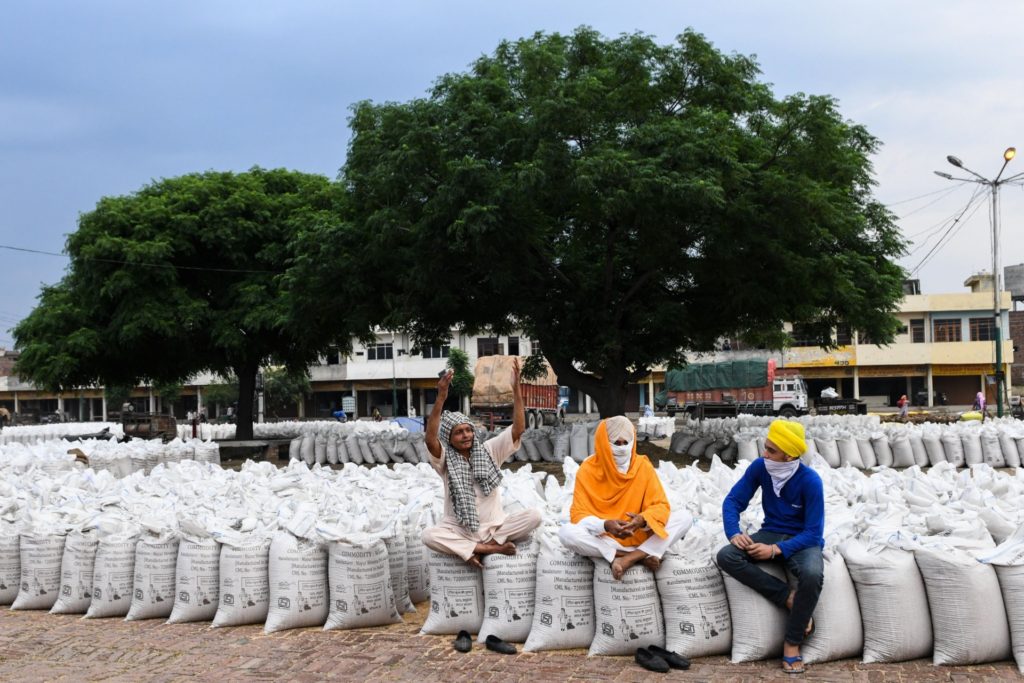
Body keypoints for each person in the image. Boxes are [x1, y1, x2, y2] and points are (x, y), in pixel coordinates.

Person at [716, 419, 824, 675]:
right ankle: (787, 597)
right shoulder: (760, 468)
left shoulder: (810, 481)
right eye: (765, 448)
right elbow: (732, 501)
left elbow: (813, 532)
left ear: (788, 455)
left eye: (771, 451)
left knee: (812, 574)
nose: (764, 454)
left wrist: (775, 551)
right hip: (771, 532)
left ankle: (792, 642)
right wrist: (733, 533)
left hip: (802, 540)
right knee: (727, 556)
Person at [421, 359, 542, 568]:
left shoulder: (488, 450)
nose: (466, 435)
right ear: (449, 438)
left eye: (468, 430)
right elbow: (430, 440)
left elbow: (518, 429)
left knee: (535, 516)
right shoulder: (445, 460)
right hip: (459, 530)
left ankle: (479, 547)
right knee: (429, 536)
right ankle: (490, 548)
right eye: (458, 432)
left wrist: (516, 390)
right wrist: (441, 397)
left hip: (495, 527)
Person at [558, 416, 692, 580]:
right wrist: (605, 525)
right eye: (616, 443)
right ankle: (638, 556)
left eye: (625, 443)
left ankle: (630, 558)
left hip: (642, 537)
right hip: (607, 540)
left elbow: (660, 505)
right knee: (566, 533)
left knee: (685, 518)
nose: (621, 448)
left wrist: (642, 520)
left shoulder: (642, 466)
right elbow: (578, 515)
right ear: (603, 442)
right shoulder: (587, 470)